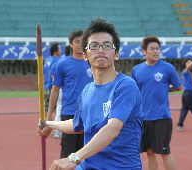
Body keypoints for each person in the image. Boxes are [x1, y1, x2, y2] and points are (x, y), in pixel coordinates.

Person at [38, 18, 143, 169]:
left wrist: (74, 158)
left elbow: (112, 128)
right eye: (94, 46)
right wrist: (49, 124)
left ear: (117, 54)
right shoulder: (87, 91)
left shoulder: (126, 86)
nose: (100, 50)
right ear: (85, 55)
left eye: (107, 46)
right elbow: (77, 125)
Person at [131, 36, 182, 170]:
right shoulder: (136, 70)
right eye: (152, 49)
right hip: (143, 118)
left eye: (157, 49)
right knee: (149, 152)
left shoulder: (167, 68)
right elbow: (135, 91)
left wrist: (166, 89)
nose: (156, 51)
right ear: (144, 51)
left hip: (161, 117)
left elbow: (178, 86)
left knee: (164, 152)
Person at [46, 30, 93, 158]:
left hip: (89, 113)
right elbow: (55, 90)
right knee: (68, 152)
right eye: (76, 42)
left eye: (81, 41)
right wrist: (50, 112)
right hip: (69, 112)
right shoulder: (62, 64)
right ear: (71, 44)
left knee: (85, 153)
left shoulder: (92, 62)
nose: (79, 44)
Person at [53, 45, 72, 139]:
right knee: (61, 110)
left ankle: (57, 131)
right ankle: (58, 130)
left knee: (59, 110)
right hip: (64, 90)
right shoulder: (64, 62)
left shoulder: (61, 60)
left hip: (61, 89)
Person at [43, 42, 61, 117]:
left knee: (47, 107)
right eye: (59, 48)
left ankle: (45, 123)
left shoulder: (47, 60)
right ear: (56, 51)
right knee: (57, 107)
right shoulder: (56, 61)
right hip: (51, 86)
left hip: (45, 85)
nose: (61, 50)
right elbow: (52, 73)